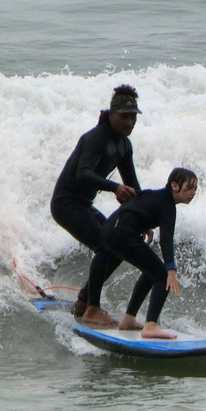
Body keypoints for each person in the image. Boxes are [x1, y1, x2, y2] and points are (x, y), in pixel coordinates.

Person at [50, 84, 151, 326]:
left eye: (133, 116)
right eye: (124, 116)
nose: (129, 122)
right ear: (111, 113)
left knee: (118, 247)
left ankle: (84, 301)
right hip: (66, 203)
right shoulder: (95, 138)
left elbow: (133, 185)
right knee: (106, 247)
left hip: (83, 204)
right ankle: (92, 309)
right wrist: (114, 187)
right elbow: (83, 174)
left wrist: (144, 218)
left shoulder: (124, 146)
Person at [86, 167, 198, 339]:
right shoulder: (167, 204)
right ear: (175, 186)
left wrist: (144, 227)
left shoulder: (153, 194)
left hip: (109, 230)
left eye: (195, 189)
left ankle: (129, 319)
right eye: (190, 188)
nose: (193, 193)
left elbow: (133, 205)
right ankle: (150, 326)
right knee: (161, 275)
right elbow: (167, 239)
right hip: (123, 234)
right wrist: (171, 269)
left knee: (150, 271)